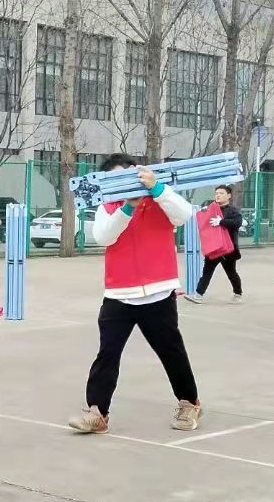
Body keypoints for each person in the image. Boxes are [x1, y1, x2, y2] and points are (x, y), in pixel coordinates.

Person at [69, 155, 202, 434]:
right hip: (119, 294)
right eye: (117, 179)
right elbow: (104, 237)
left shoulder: (160, 199)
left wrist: (157, 189)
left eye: (129, 175)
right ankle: (97, 412)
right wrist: (127, 207)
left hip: (159, 292)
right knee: (108, 354)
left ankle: (189, 402)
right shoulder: (108, 207)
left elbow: (185, 215)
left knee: (171, 351)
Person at [188, 184, 243, 304]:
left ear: (229, 195)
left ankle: (238, 293)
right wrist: (204, 213)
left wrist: (221, 222)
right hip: (214, 247)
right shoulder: (211, 208)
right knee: (207, 272)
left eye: (221, 193)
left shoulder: (233, 210)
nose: (218, 195)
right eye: (216, 193)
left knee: (231, 273)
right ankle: (198, 295)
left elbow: (237, 223)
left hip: (228, 249)